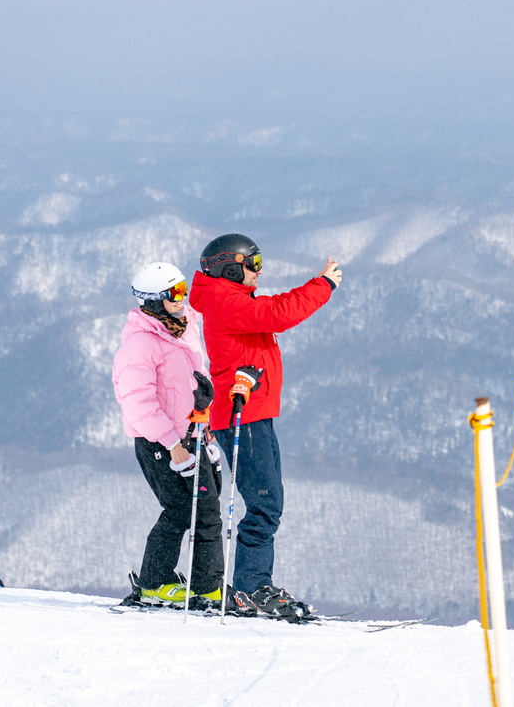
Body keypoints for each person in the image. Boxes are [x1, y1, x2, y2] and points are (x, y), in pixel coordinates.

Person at [188, 233, 342, 618]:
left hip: (254, 412)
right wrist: (322, 285)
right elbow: (279, 314)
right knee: (265, 503)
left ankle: (251, 585)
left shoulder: (228, 298)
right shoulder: (225, 302)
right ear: (229, 267)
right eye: (253, 264)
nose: (260, 270)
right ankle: (252, 587)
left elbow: (271, 313)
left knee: (267, 502)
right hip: (244, 415)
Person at [112, 261, 223, 609]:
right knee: (178, 510)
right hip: (160, 444)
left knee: (208, 512)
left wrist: (204, 429)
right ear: (154, 301)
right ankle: (154, 583)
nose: (183, 298)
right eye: (175, 293)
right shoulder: (139, 345)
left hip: (192, 434)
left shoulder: (184, 327)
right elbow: (138, 404)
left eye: (183, 289)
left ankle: (208, 589)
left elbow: (195, 383)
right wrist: (173, 445)